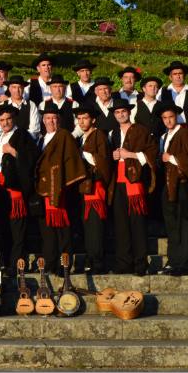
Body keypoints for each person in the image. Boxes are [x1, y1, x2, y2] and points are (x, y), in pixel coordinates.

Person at [34, 105, 86, 275]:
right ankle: (50, 264)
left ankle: (63, 265)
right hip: (44, 191)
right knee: (48, 232)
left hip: (61, 192)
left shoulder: (64, 136)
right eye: (48, 118)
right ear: (43, 120)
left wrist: (61, 184)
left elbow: (72, 161)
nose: (51, 121)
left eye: (54, 118)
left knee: (63, 231)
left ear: (59, 120)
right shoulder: (41, 140)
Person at [108, 102, 158, 276]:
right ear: (114, 115)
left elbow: (151, 154)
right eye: (118, 112)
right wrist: (113, 155)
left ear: (129, 113)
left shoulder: (141, 130)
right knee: (121, 224)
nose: (121, 115)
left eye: (123, 111)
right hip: (118, 182)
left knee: (137, 224)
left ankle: (140, 264)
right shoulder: (112, 133)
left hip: (135, 182)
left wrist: (128, 154)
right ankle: (124, 263)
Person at [0, 104, 38, 274]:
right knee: (5, 229)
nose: (5, 122)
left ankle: (17, 264)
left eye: (8, 119)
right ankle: (6, 263)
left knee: (18, 230)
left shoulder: (22, 135)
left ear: (14, 119)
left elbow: (32, 159)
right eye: (1, 120)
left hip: (15, 189)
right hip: (0, 189)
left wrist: (13, 151)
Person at [157, 103, 188, 276]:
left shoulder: (184, 134)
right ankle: (174, 260)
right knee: (171, 225)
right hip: (169, 185)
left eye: (170, 117)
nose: (168, 120)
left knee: (184, 223)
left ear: (175, 117)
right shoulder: (164, 136)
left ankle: (184, 262)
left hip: (182, 185)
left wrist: (173, 158)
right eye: (165, 118)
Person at [75, 105, 111, 274]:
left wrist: (85, 154)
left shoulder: (99, 135)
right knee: (88, 227)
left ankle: (97, 262)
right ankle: (91, 259)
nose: (82, 121)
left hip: (95, 188)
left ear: (93, 119)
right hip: (85, 189)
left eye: (85, 118)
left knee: (95, 226)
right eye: (79, 118)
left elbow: (103, 162)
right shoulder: (83, 137)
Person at [160, 60, 188, 130]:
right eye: (175, 74)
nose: (178, 76)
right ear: (170, 77)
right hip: (169, 130)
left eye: (180, 73)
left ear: (184, 75)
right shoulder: (162, 91)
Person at [0, 75, 40, 140]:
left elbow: (34, 130)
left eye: (20, 87)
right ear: (9, 88)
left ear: (23, 88)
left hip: (27, 143)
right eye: (14, 87)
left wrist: (20, 142)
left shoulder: (31, 105)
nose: (17, 90)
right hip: (7, 143)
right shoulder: (2, 106)